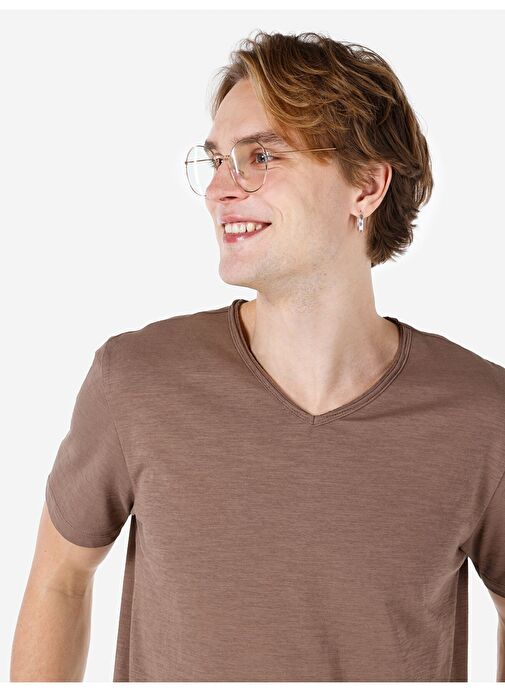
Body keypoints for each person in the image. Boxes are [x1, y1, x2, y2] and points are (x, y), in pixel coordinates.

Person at [10, 30, 505, 683]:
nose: (219, 188)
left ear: (365, 186)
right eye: (217, 160)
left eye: (261, 156)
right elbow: (60, 581)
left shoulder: (482, 415)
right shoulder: (135, 380)